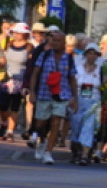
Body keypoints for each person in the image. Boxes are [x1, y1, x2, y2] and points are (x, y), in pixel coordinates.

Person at [29, 30, 78, 164]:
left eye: (58, 41)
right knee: (40, 123)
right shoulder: (44, 56)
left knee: (56, 122)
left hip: (62, 95)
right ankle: (42, 141)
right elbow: (35, 73)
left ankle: (49, 152)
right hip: (44, 93)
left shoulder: (68, 58)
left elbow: (72, 79)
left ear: (63, 43)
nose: (55, 43)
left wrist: (75, 98)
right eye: (53, 41)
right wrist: (32, 91)